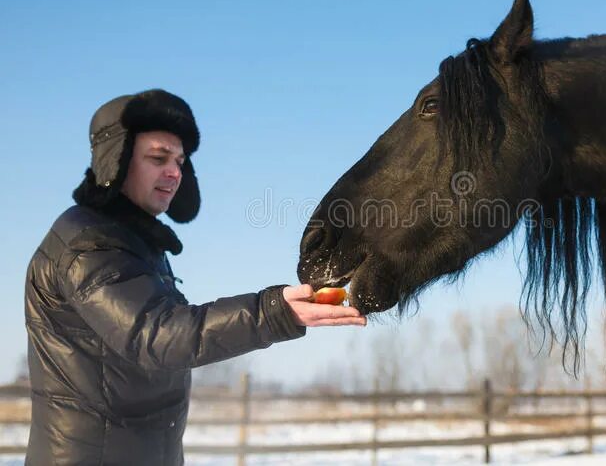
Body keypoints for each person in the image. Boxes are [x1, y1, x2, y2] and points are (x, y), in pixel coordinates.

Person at [23, 89, 366, 465]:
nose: (174, 172)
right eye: (158, 158)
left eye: (180, 161)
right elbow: (158, 335)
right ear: (116, 161)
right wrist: (274, 312)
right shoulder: (87, 242)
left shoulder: (136, 243)